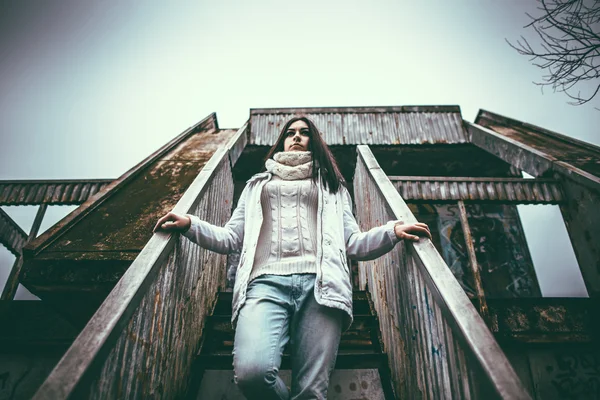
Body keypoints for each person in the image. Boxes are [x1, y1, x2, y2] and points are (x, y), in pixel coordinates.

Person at [154, 116, 431, 400]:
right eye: (290, 132)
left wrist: (392, 231)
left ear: (315, 141)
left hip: (322, 289)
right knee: (252, 374)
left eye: (304, 132)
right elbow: (230, 238)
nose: (296, 136)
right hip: (264, 285)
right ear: (281, 141)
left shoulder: (332, 187)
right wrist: (190, 224)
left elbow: (353, 243)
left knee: (311, 392)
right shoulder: (255, 186)